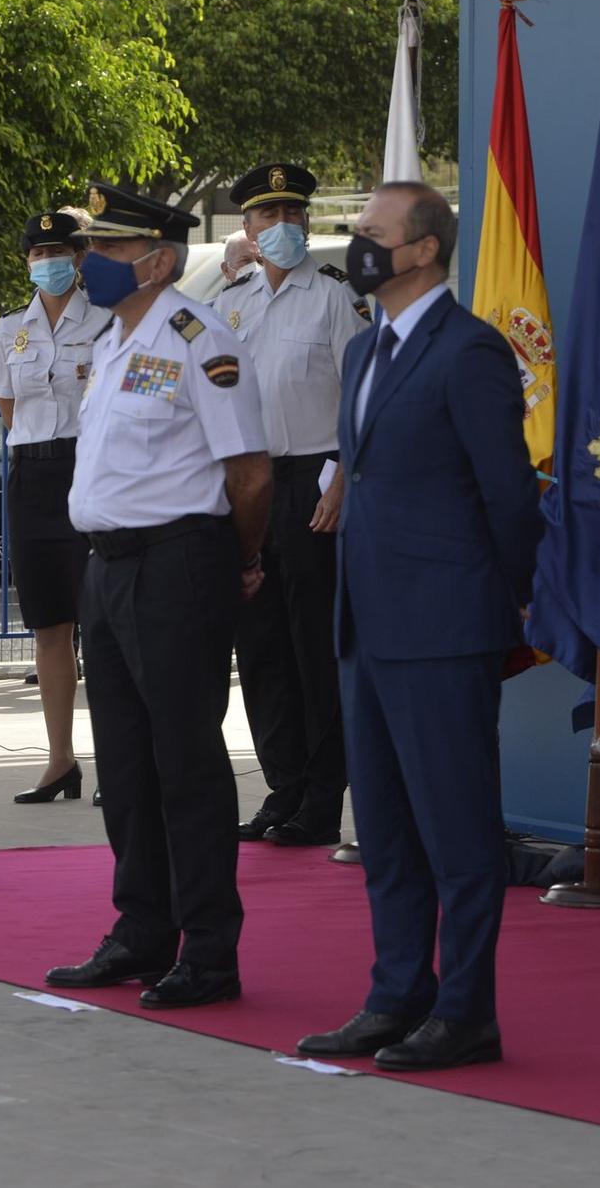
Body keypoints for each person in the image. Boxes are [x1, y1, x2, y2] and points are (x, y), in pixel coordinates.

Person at [295, 182, 541, 1073]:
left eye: (372, 233)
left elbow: (509, 493)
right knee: (388, 830)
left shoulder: (469, 349)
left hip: (443, 625)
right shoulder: (364, 350)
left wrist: (515, 594)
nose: (357, 246)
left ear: (424, 249)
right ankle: (396, 994)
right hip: (367, 622)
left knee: (457, 830)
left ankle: (466, 1010)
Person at [44, 183, 271, 1010]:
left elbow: (247, 473)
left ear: (160, 260)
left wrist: (237, 560)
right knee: (128, 766)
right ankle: (142, 927)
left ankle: (209, 947)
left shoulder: (197, 336)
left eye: (107, 250)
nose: (90, 262)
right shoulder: (112, 339)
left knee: (186, 761)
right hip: (107, 568)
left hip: (178, 562)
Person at [225, 162, 373, 846]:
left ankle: (321, 797)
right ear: (247, 229)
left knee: (313, 646)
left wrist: (344, 474)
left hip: (315, 480)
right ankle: (282, 787)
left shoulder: (334, 297)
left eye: (292, 212)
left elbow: (360, 399)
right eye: (267, 215)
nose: (282, 225)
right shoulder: (231, 303)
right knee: (260, 648)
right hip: (249, 483)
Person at [0, 209, 111, 805]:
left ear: (80, 258)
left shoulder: (110, 322)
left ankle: (118, 762)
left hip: (92, 469)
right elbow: (9, 409)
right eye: (37, 255)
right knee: (49, 627)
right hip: (33, 477)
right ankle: (60, 760)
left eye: (57, 252)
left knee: (107, 624)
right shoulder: (10, 328)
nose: (47, 263)